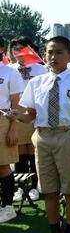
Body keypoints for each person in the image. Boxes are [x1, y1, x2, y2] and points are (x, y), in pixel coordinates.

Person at [11, 36, 70, 233]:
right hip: (43, 137)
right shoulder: (36, 82)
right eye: (49, 52)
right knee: (48, 189)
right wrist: (17, 116)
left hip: (69, 135)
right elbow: (30, 115)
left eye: (59, 52)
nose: (53, 57)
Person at [9, 37, 48, 203]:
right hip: (16, 112)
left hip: (35, 112)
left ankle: (34, 186)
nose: (19, 53)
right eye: (15, 50)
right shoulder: (10, 70)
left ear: (30, 50)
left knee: (34, 151)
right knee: (19, 153)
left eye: (22, 49)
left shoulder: (41, 69)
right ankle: (20, 187)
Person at [0, 50, 25, 223]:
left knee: (2, 166)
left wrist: (13, 128)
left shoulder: (10, 72)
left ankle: (8, 207)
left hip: (4, 119)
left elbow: (16, 104)